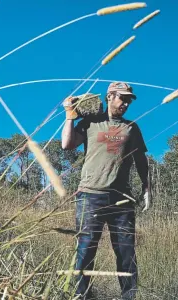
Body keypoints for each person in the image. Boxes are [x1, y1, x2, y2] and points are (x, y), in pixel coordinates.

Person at [61, 82, 150, 300]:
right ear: (109, 97)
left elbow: (141, 160)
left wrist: (147, 188)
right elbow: (67, 144)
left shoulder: (132, 128)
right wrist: (70, 115)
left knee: (126, 251)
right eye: (122, 98)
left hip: (122, 200)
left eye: (129, 100)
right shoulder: (91, 122)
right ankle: (81, 295)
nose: (126, 103)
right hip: (90, 195)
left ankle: (129, 296)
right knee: (85, 249)